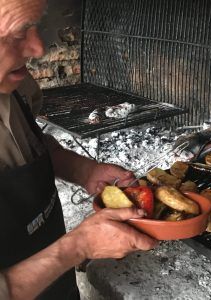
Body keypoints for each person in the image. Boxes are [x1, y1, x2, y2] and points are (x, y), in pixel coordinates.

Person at [0, 0, 159, 299]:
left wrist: (82, 169)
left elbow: (28, 141)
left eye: (35, 27)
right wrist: (79, 247)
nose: (38, 49)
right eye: (19, 32)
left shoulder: (13, 79)